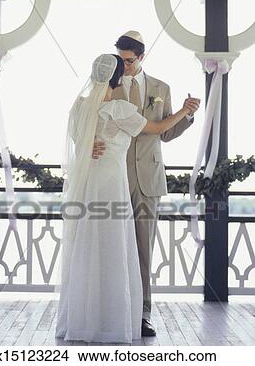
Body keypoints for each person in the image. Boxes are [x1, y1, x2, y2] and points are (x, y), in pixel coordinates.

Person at [55, 53, 194, 344]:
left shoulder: (78, 107)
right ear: (117, 78)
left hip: (88, 186)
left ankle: (83, 320)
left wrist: (87, 148)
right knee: (113, 248)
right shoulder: (119, 108)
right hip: (112, 185)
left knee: (87, 246)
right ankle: (112, 320)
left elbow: (78, 143)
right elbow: (156, 130)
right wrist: (184, 110)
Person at [92, 32, 200, 337]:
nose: (124, 66)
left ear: (141, 57)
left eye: (129, 61)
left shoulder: (161, 88)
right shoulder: (107, 88)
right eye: (120, 60)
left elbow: (165, 133)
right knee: (109, 246)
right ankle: (110, 309)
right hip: (113, 177)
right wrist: (90, 146)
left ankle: (142, 314)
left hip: (148, 181)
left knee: (143, 250)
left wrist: (186, 115)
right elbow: (88, 125)